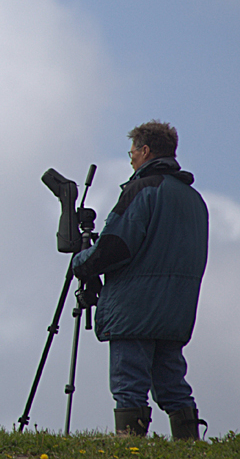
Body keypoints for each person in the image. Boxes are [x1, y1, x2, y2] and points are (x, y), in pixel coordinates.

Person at [72, 120, 208, 439]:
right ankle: (189, 446)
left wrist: (81, 262)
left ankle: (129, 445)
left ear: (145, 150)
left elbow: (116, 246)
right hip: (176, 308)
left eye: (132, 151)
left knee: (129, 384)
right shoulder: (194, 200)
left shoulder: (142, 189)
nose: (130, 157)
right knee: (172, 382)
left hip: (135, 308)